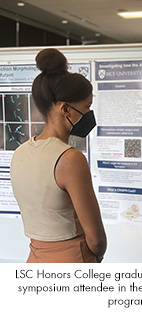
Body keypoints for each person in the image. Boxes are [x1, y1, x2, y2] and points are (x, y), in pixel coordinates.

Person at [10, 48, 107, 263]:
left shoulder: (20, 153)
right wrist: (96, 257)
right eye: (87, 106)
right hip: (72, 259)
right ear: (65, 109)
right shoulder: (70, 159)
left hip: (34, 258)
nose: (90, 113)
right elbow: (97, 239)